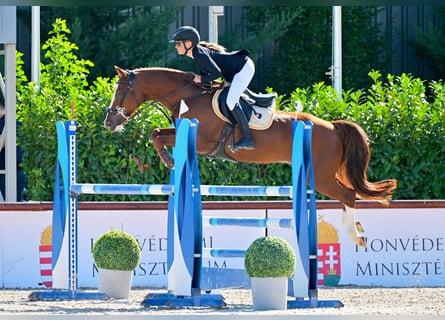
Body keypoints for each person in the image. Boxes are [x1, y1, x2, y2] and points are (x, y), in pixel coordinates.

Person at [171, 26, 255, 151]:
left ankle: (248, 138)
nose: (176, 46)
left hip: (243, 68)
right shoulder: (196, 53)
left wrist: (200, 79)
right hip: (236, 70)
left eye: (178, 43)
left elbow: (216, 73)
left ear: (188, 44)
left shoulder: (198, 54)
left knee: (231, 101)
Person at [0, 100, 27, 201]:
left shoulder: (9, 123)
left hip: (11, 173)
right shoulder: (13, 122)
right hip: (14, 171)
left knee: (13, 205)